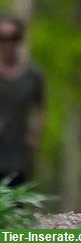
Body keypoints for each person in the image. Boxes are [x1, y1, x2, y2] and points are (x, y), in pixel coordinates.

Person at [0, 14, 45, 186]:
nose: (8, 43)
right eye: (3, 38)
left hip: (20, 151)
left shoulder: (33, 76)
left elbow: (40, 108)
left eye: (13, 37)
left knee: (17, 200)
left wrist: (35, 135)